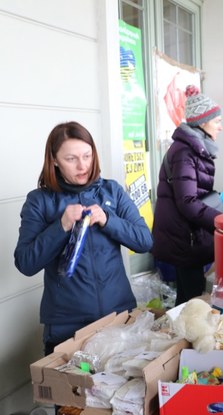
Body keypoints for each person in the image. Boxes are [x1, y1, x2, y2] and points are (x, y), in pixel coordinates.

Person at [14, 121, 153, 355]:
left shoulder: (112, 191)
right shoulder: (39, 201)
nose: (83, 166)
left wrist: (108, 220)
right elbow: (25, 262)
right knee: (74, 391)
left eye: (87, 156)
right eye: (71, 159)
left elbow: (144, 241)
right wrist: (61, 226)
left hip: (118, 316)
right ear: (54, 160)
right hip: (67, 326)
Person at [152, 85, 223, 306]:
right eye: (217, 121)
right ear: (203, 123)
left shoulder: (193, 149)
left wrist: (218, 198)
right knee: (191, 303)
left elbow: (192, 191)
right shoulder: (185, 152)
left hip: (187, 236)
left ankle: (181, 338)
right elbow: (187, 202)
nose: (220, 127)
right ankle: (184, 340)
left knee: (188, 299)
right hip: (184, 239)